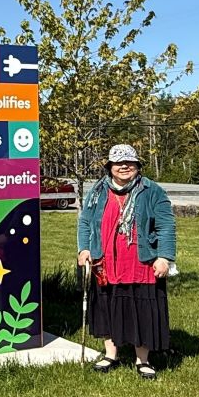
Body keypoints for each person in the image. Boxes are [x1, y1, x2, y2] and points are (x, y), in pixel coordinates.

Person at [76, 143, 175, 379]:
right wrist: (84, 248)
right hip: (105, 262)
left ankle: (142, 360)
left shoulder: (152, 190)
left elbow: (166, 226)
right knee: (107, 308)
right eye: (118, 163)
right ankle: (111, 355)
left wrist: (164, 257)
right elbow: (85, 222)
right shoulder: (98, 191)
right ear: (109, 166)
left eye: (129, 162)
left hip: (140, 264)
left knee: (142, 311)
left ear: (137, 165)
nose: (123, 166)